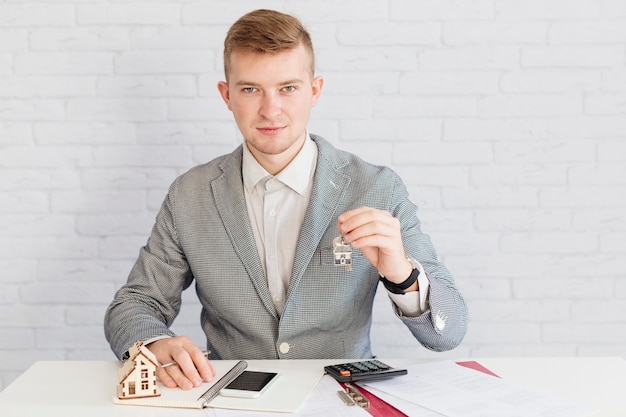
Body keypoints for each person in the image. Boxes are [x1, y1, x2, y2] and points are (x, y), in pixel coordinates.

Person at [104, 8, 468, 391]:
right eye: (250, 89)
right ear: (226, 95)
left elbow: (448, 332)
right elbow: (134, 305)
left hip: (341, 399)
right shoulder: (189, 195)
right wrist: (156, 345)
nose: (270, 109)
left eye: (288, 88)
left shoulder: (377, 188)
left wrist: (403, 275)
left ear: (314, 90)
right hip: (232, 398)